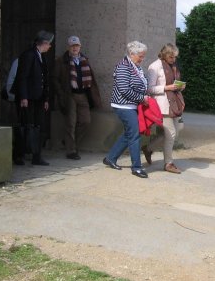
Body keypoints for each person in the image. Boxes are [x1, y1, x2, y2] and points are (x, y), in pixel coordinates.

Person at [103, 41, 150, 178]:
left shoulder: (136, 66)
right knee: (134, 134)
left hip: (132, 105)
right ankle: (136, 167)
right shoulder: (123, 66)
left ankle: (111, 158)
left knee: (130, 133)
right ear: (131, 54)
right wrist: (142, 98)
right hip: (123, 105)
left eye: (143, 56)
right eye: (140, 56)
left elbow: (141, 84)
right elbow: (124, 90)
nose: (142, 58)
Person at [53, 36, 102, 160]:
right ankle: (71, 150)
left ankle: (71, 142)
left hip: (83, 94)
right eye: (72, 46)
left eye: (77, 46)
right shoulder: (61, 61)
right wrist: (61, 94)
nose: (74, 48)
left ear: (80, 47)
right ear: (68, 47)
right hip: (69, 94)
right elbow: (55, 79)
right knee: (70, 123)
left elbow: (91, 78)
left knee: (86, 121)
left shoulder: (84, 60)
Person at [11, 30, 55, 166]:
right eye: (49, 44)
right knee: (25, 126)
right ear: (44, 43)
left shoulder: (41, 56)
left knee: (38, 127)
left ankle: (37, 156)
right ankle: (18, 155)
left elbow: (44, 79)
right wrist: (23, 97)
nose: (50, 47)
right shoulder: (28, 55)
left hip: (38, 98)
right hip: (28, 98)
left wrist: (46, 98)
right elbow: (22, 78)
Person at [144, 43, 185, 174]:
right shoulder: (154, 67)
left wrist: (180, 86)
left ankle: (148, 148)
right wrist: (166, 88)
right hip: (162, 105)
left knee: (175, 132)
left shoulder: (173, 66)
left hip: (174, 103)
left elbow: (174, 82)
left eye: (175, 57)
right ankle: (168, 163)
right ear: (165, 54)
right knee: (171, 133)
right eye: (171, 57)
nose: (174, 60)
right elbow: (149, 88)